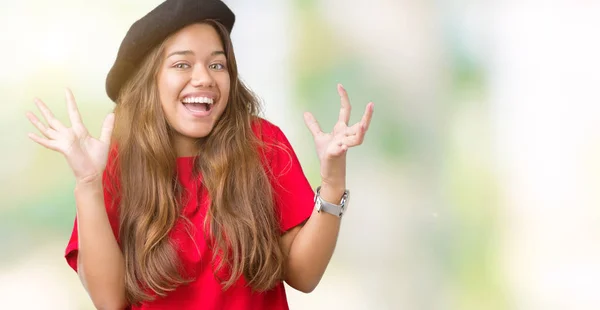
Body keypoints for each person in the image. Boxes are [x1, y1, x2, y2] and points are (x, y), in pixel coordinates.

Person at [25, 0, 374, 309]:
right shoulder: (117, 162)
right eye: (182, 65)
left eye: (217, 65)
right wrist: (88, 182)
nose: (203, 78)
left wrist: (332, 180)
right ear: (151, 80)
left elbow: (304, 276)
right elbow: (109, 300)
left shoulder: (262, 144)